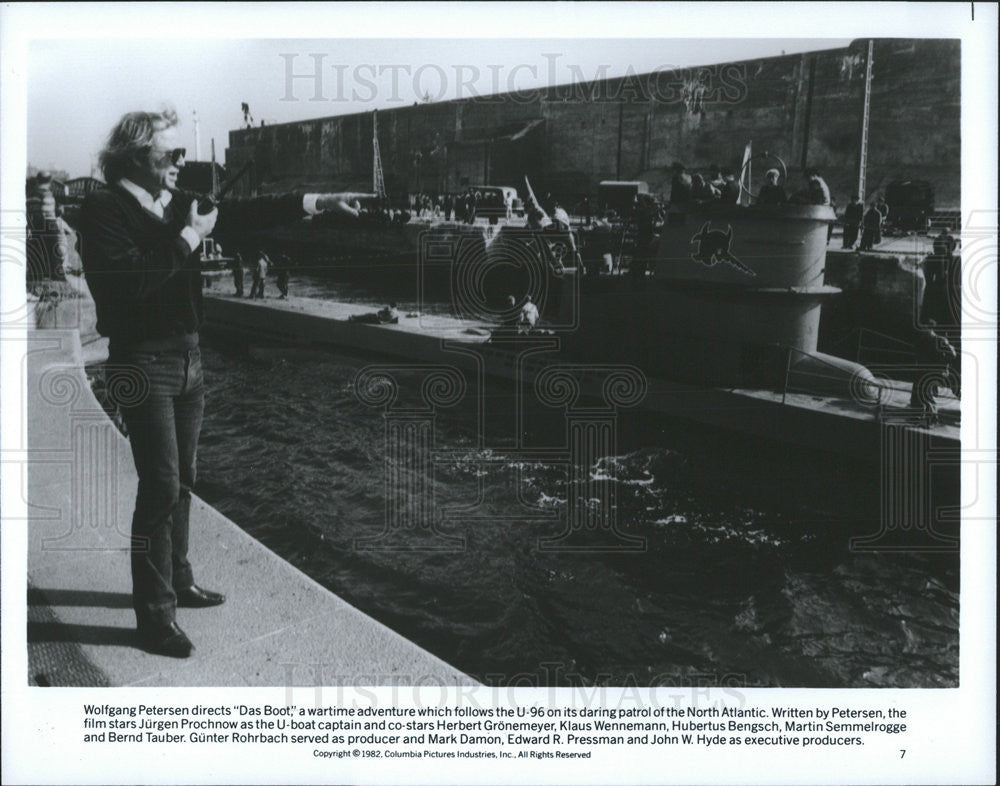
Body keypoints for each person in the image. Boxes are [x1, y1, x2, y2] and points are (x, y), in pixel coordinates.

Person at [78, 108, 362, 658]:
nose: (182, 161)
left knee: (184, 478)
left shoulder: (181, 203)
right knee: (159, 487)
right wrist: (189, 236)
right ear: (137, 156)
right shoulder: (103, 208)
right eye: (171, 153)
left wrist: (315, 202)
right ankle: (154, 617)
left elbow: (248, 214)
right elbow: (128, 282)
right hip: (141, 364)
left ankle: (178, 579)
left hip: (189, 360)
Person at [909, 321, 958, 422]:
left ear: (930, 327)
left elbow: (952, 354)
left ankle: (931, 417)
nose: (922, 329)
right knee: (918, 392)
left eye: (924, 327)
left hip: (934, 372)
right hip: (924, 371)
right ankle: (919, 414)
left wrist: (941, 363)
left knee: (926, 394)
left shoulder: (939, 340)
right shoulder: (923, 341)